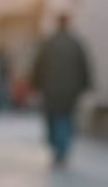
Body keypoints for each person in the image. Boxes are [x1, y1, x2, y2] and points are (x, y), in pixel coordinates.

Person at [30, 12, 92, 167]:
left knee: (53, 119)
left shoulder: (49, 43)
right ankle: (62, 150)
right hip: (70, 91)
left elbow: (38, 67)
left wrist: (36, 84)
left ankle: (58, 148)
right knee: (65, 119)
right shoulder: (76, 44)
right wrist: (84, 86)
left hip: (51, 90)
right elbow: (84, 68)